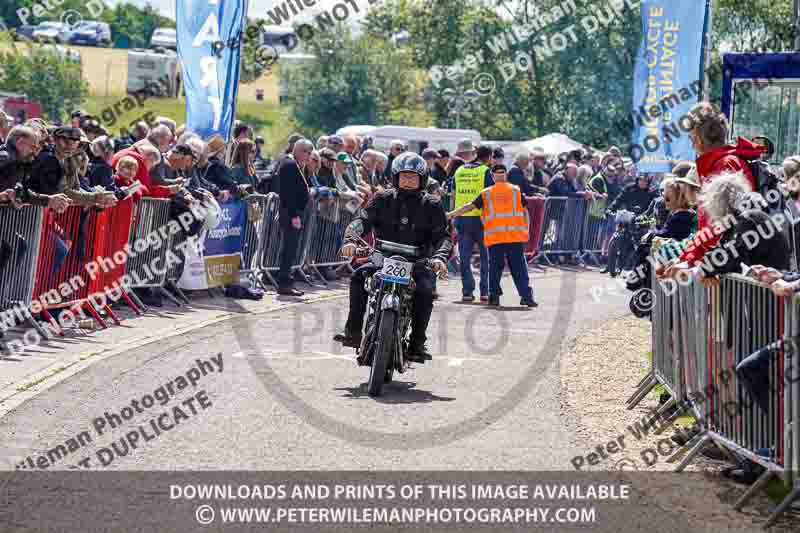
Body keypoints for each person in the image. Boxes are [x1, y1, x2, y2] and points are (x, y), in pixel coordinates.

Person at [334, 152, 452, 363]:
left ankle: (417, 343)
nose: (408, 181)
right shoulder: (382, 198)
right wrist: (350, 239)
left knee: (425, 292)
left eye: (413, 176)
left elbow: (443, 237)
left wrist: (440, 257)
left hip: (417, 262)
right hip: (382, 257)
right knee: (359, 277)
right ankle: (353, 332)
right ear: (396, 177)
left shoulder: (432, 205)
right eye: (404, 176)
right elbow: (362, 220)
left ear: (422, 179)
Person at [447, 164, 536, 307]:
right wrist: (527, 230)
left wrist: (451, 214)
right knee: (519, 269)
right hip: (514, 236)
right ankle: (526, 297)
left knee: (494, 269)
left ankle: (494, 297)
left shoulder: (486, 193)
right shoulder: (515, 190)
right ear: (505, 175)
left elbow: (469, 206)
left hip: (496, 238)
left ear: (493, 177)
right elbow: (526, 211)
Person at [451, 142, 493, 303]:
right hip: (482, 220)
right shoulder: (485, 171)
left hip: (462, 218)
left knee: (465, 257)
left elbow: (454, 195)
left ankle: (467, 292)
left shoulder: (459, 170)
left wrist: (455, 217)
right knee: (485, 257)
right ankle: (485, 292)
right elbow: (489, 196)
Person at [273, 138, 312, 296]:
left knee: (291, 249)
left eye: (310, 153)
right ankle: (284, 283)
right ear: (298, 150)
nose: (308, 156)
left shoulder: (294, 164)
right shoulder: (289, 164)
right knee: (289, 249)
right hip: (290, 213)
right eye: (306, 152)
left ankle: (286, 281)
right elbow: (288, 193)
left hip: (292, 212)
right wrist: (294, 215)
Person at [0, 125, 71, 211]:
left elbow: (22, 193)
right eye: (33, 147)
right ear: (20, 143)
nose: (35, 153)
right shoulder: (5, 158)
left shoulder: (19, 163)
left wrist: (49, 200)